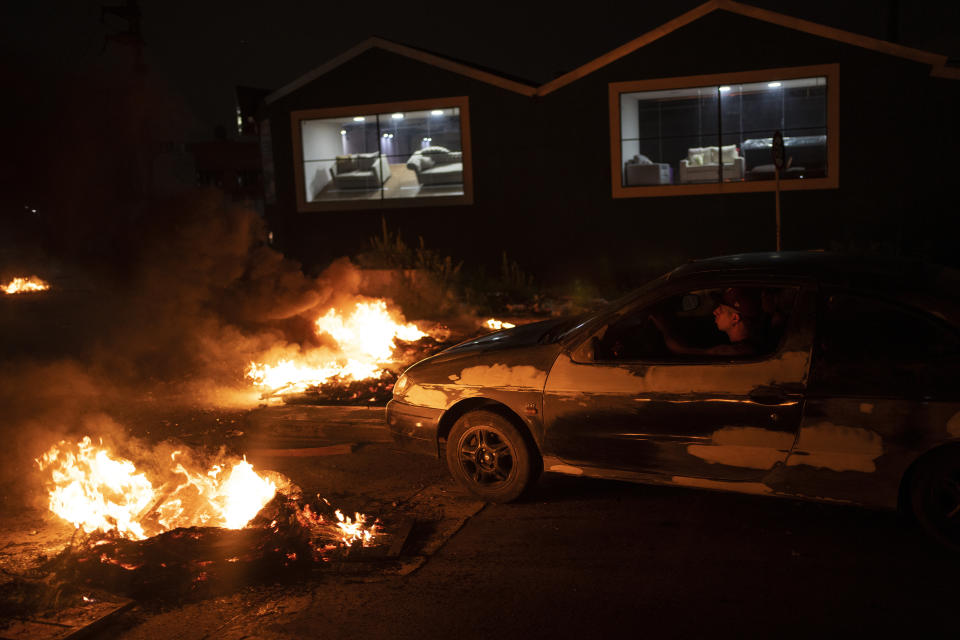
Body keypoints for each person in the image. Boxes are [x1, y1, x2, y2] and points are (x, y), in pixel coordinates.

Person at [651, 286, 763, 357]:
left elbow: (680, 351)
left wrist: (663, 329)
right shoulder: (749, 345)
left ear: (735, 318)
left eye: (721, 310)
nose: (715, 312)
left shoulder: (738, 352)